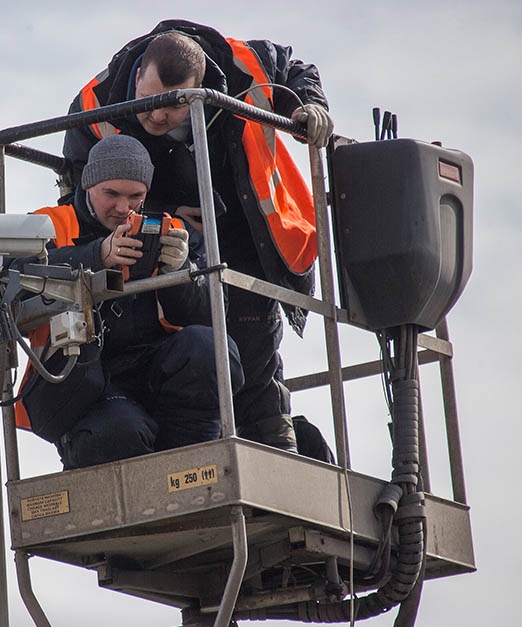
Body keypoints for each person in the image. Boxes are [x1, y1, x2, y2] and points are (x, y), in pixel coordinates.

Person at [61, 20, 334, 453]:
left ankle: (274, 442)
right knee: (186, 340)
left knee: (249, 339)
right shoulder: (96, 102)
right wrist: (158, 216)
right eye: (148, 100)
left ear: (200, 84)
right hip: (161, 237)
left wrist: (310, 107)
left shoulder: (242, 64)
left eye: (171, 107)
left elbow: (295, 68)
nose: (155, 115)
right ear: (136, 76)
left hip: (244, 228)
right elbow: (85, 192)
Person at [13, 134, 244, 470]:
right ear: (89, 185)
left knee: (209, 348)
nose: (123, 208)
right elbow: (11, 279)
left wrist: (180, 271)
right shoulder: (48, 224)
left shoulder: (171, 230)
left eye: (135, 197)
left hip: (152, 369)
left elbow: (215, 313)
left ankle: (192, 469)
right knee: (119, 432)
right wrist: (96, 256)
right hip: (84, 383)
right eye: (112, 194)